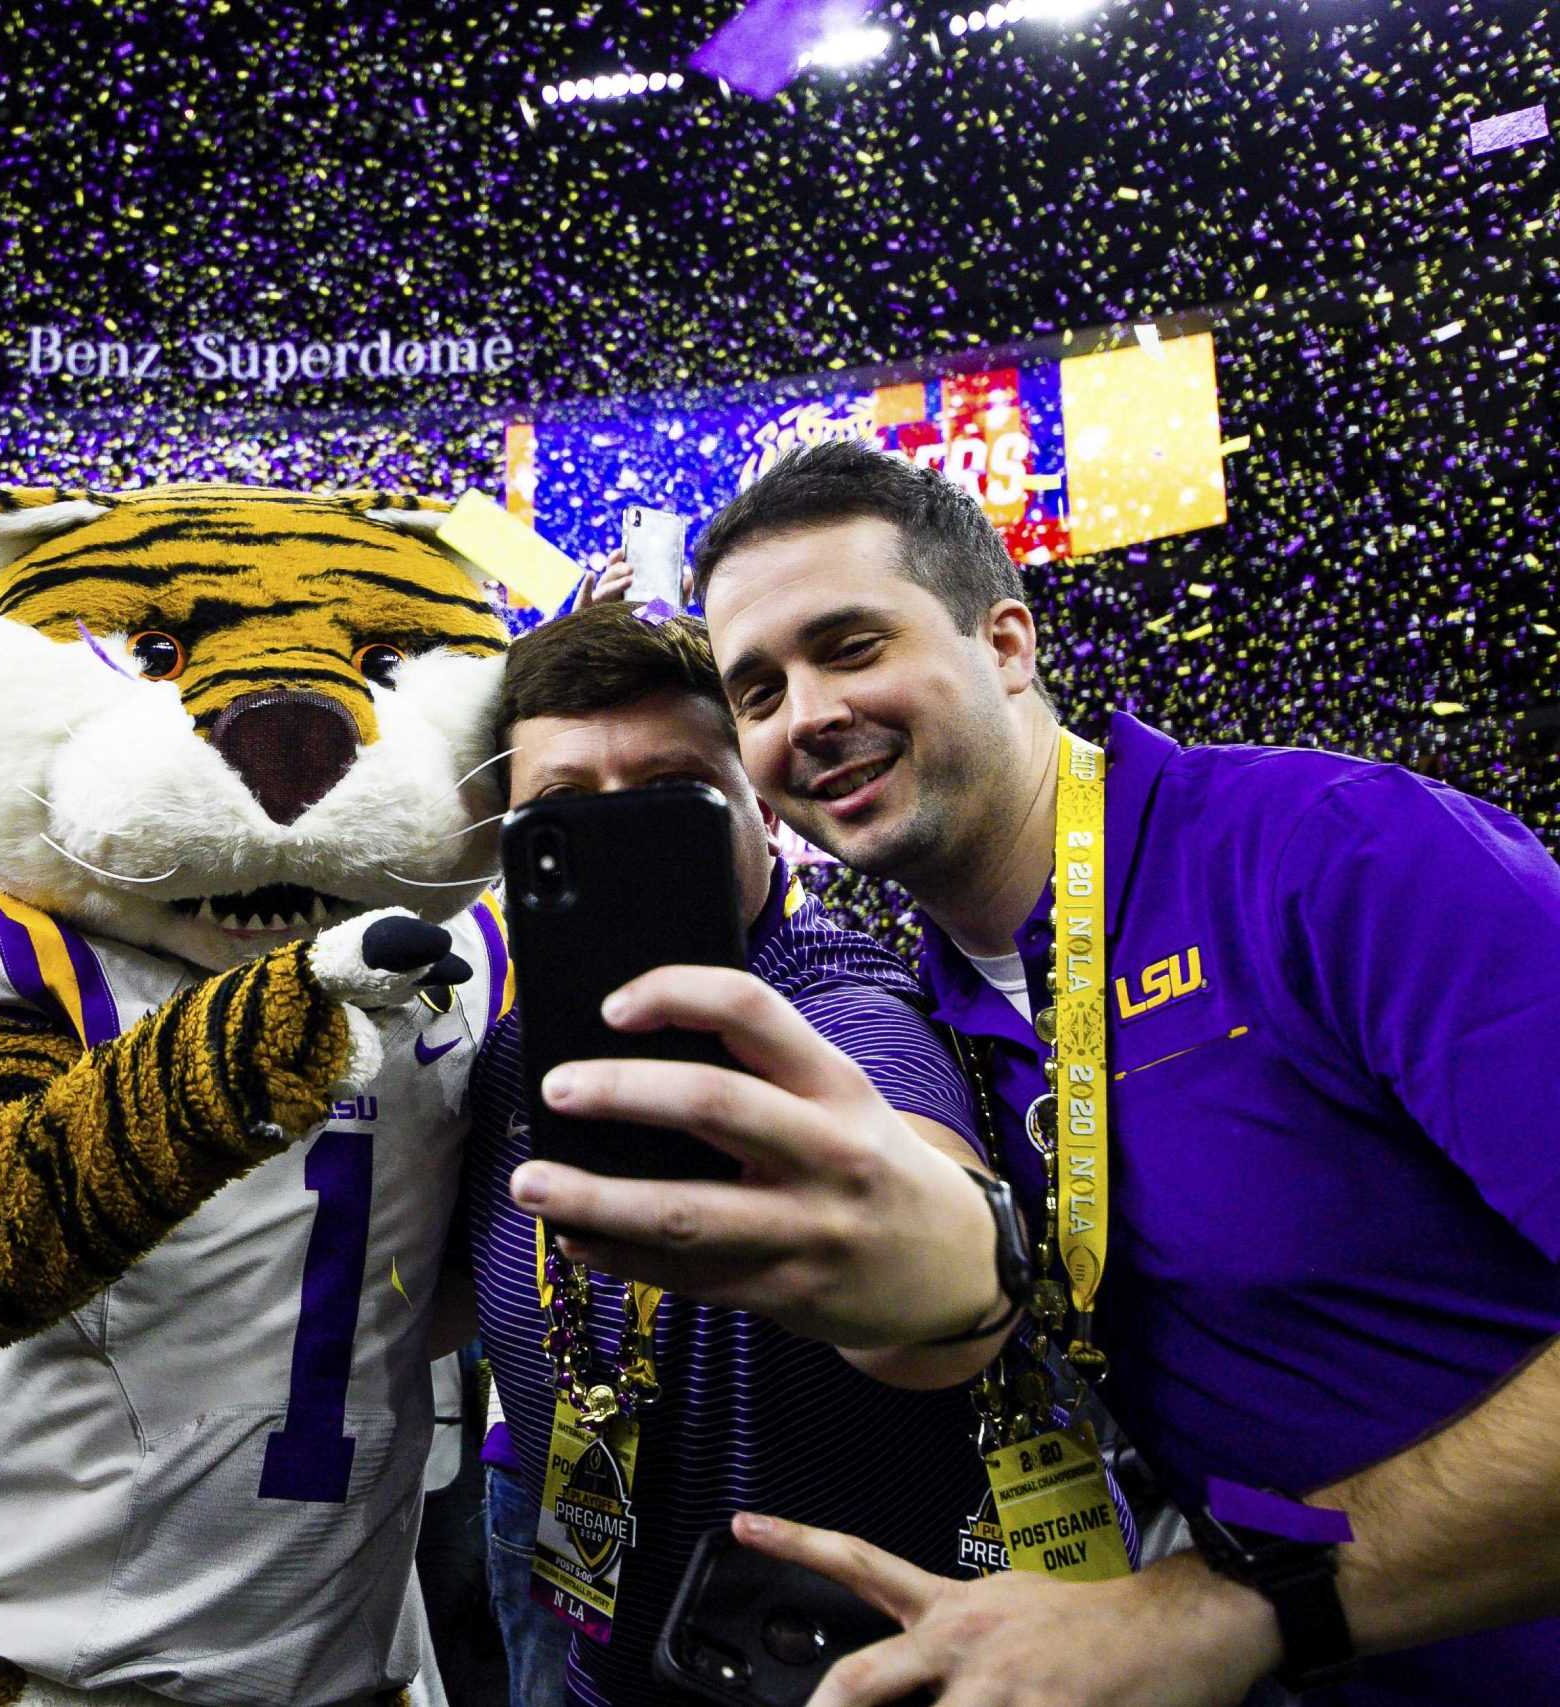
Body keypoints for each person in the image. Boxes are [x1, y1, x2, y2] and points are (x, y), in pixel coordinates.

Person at [526, 438, 1560, 1705]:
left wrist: (1218, 1610)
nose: (806, 715)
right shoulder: (952, 1003)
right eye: (756, 691)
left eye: (851, 646)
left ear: (1006, 644)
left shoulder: (1337, 858)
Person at [460, 602, 1009, 1706]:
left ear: (763, 814)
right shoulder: (511, 1045)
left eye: (674, 794)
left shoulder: (836, 1007)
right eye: (564, 809)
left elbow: (919, 1184)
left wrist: (948, 1275)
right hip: (585, 1633)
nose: (619, 835)